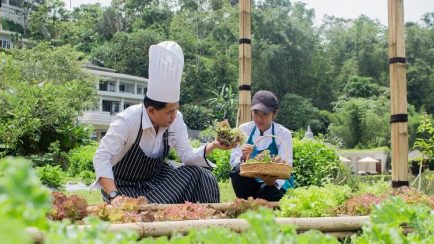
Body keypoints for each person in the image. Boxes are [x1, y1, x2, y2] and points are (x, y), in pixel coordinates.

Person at [92, 41, 232, 205]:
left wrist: (214, 145)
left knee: (202, 175)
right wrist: (114, 195)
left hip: (156, 183)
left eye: (176, 109)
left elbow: (187, 156)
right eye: (169, 112)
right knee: (136, 209)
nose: (174, 116)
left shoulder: (176, 119)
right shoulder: (128, 120)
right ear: (151, 110)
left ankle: (209, 222)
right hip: (123, 186)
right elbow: (102, 157)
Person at [229, 90, 294, 201]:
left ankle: (258, 205)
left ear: (274, 114)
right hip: (252, 182)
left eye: (265, 114)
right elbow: (234, 160)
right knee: (237, 171)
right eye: (256, 113)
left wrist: (272, 178)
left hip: (275, 184)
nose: (259, 119)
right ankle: (247, 204)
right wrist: (243, 157)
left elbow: (286, 166)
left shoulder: (283, 133)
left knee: (266, 191)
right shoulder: (244, 129)